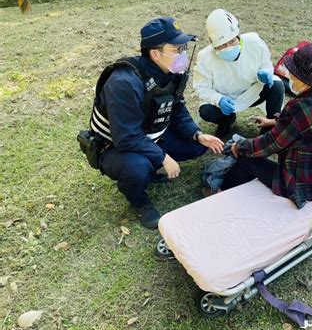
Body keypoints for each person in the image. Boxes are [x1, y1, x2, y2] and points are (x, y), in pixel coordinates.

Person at [91, 17, 224, 229]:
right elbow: (126, 138)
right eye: (177, 49)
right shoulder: (124, 82)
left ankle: (153, 165)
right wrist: (162, 157)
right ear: (155, 53)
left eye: (184, 48)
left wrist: (197, 134)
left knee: (197, 146)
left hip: (150, 135)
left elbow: (177, 108)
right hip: (116, 146)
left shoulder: (171, 72)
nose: (183, 55)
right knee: (137, 168)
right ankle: (141, 203)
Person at [220, 43, 312, 209]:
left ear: (305, 80)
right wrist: (274, 122)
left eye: (293, 74)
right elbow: (307, 125)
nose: (290, 76)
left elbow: (270, 144)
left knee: (248, 161)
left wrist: (240, 147)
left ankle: (219, 192)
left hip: (306, 187)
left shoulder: (299, 107)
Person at [193, 9, 284, 138]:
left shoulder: (254, 43)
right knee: (206, 111)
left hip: (251, 92)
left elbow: (265, 63)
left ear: (238, 36)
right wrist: (219, 99)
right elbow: (201, 87)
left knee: (276, 86)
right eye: (223, 45)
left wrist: (265, 73)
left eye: (232, 41)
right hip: (225, 99)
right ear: (213, 44)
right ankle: (226, 121)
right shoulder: (205, 57)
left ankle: (269, 130)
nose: (229, 47)